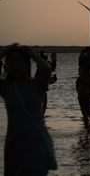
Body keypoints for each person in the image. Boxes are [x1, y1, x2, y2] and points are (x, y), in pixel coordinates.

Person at [0, 44, 57, 175]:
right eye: (11, 62)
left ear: (26, 63)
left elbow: (46, 70)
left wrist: (33, 56)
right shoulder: (6, 87)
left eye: (18, 61)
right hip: (14, 144)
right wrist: (5, 51)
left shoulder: (37, 85)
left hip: (36, 143)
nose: (14, 65)